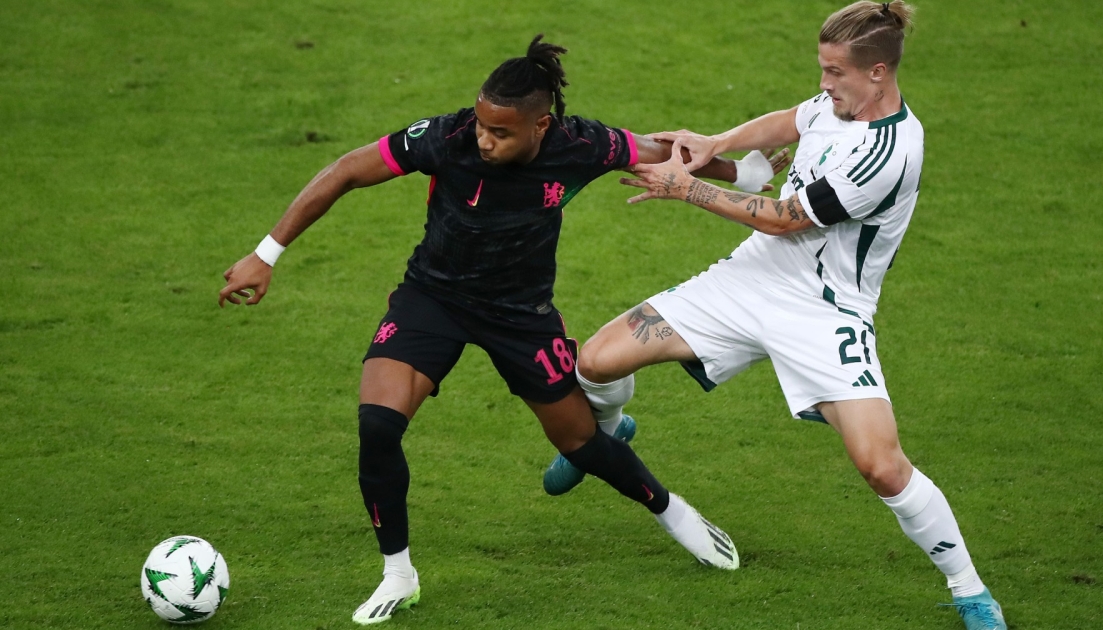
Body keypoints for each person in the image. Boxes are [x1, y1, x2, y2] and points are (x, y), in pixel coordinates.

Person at [218, 36, 786, 625]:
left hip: (520, 315)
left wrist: (743, 173)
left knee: (581, 444)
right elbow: (345, 171)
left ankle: (674, 513)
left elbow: (660, 150)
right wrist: (265, 254)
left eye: (500, 132)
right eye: (481, 125)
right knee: (378, 426)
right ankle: (398, 574)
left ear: (541, 125)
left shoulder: (581, 144)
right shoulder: (446, 136)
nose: (483, 140)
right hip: (432, 299)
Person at [544, 3, 1008, 629]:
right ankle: (605, 436)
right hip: (750, 279)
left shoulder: (889, 151)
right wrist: (717, 142)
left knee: (880, 465)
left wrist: (688, 187)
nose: (823, 82)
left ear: (877, 72)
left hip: (825, 312)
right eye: (822, 68)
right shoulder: (839, 103)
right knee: (596, 362)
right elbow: (792, 119)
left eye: (834, 72)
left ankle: (969, 590)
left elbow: (785, 219)